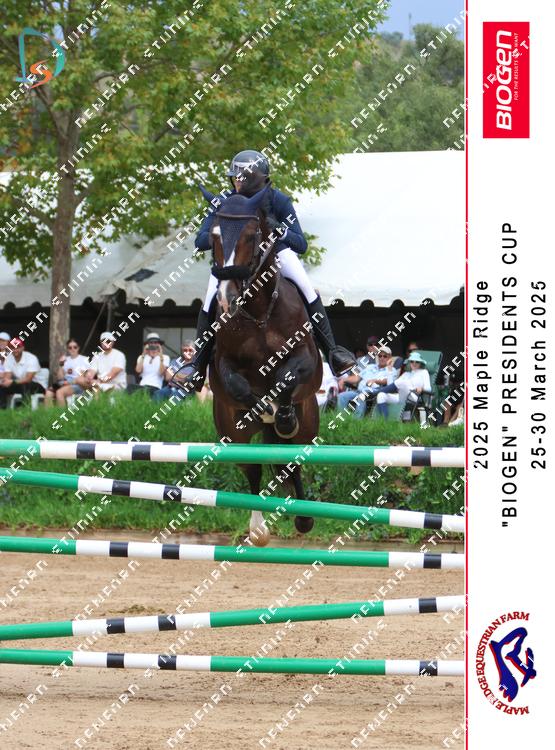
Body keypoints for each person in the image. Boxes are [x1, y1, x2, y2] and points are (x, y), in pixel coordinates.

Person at [176, 149, 355, 391]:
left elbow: (301, 244)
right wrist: (221, 236)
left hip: (276, 253)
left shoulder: (278, 200)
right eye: (235, 178)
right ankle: (197, 366)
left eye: (242, 178)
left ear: (257, 179)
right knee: (209, 301)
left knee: (307, 290)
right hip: (234, 261)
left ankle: (333, 353)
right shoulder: (224, 202)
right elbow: (200, 240)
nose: (237, 182)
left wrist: (281, 230)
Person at [337, 346, 398, 418]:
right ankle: (340, 418)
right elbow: (356, 378)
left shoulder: (391, 370)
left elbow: (388, 382)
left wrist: (375, 381)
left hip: (375, 391)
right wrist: (343, 380)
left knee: (362, 395)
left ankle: (357, 420)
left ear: (389, 358)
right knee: (341, 396)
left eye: (385, 356)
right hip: (359, 391)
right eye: (380, 356)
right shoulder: (369, 366)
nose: (382, 358)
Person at [374, 351, 431, 419]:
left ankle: (376, 392)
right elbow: (392, 385)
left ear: (420, 363)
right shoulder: (406, 374)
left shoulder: (424, 372)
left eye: (417, 362)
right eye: (412, 361)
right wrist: (389, 369)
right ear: (409, 363)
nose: (414, 363)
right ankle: (384, 421)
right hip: (401, 397)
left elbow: (429, 389)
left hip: (414, 397)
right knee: (381, 395)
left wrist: (421, 389)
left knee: (402, 382)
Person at [0, 338, 47, 408]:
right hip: (20, 384)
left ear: (23, 348)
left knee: (25, 386)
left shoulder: (31, 358)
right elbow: (7, 377)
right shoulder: (9, 358)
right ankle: (2, 409)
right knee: (2, 387)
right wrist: (4, 382)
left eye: (18, 347)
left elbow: (28, 379)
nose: (15, 350)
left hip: (38, 385)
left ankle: (25, 409)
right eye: (12, 348)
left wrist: (12, 382)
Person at [44, 339, 90, 407]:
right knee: (48, 392)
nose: (72, 349)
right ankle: (49, 413)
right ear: (67, 349)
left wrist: (69, 382)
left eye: (75, 347)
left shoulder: (84, 359)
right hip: (64, 382)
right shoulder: (65, 359)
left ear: (78, 348)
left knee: (59, 392)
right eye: (70, 347)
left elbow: (82, 377)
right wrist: (61, 365)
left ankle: (61, 413)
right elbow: (60, 377)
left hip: (77, 384)